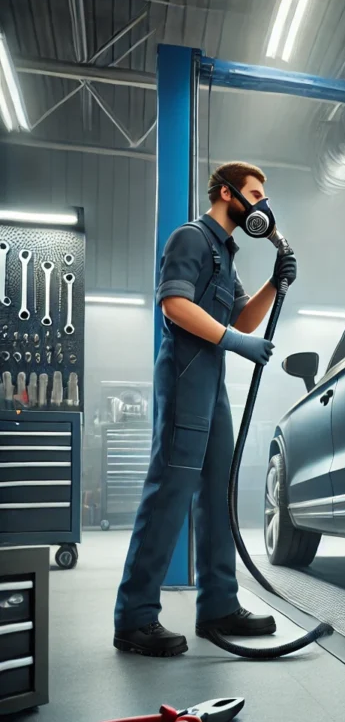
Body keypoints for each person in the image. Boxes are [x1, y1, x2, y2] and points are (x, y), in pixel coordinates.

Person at [113, 161, 296, 657]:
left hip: (212, 390)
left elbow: (244, 316)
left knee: (217, 495)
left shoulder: (224, 253)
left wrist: (275, 284)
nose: (262, 204)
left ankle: (218, 605)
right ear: (225, 193)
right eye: (254, 193)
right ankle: (134, 618)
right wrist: (236, 342)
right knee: (168, 495)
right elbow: (174, 304)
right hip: (185, 382)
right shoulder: (191, 238)